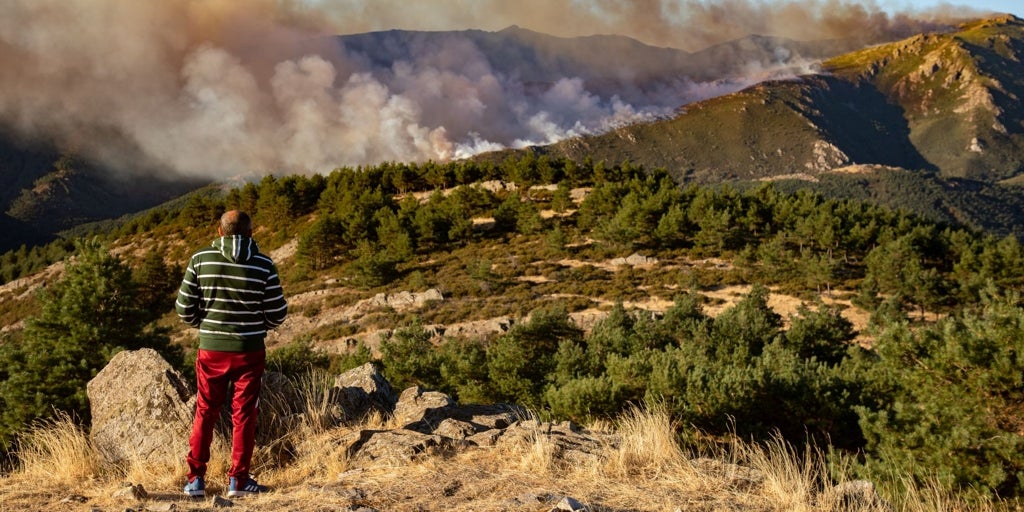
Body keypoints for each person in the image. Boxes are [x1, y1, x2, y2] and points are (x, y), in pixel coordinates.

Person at [176, 210, 288, 498]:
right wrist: (254, 325)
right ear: (251, 233)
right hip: (249, 352)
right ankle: (238, 480)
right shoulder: (264, 264)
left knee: (205, 410)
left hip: (211, 350)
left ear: (219, 231)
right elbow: (277, 313)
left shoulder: (201, 259)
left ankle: (195, 480)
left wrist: (206, 324)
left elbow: (184, 309)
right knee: (244, 415)